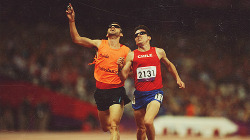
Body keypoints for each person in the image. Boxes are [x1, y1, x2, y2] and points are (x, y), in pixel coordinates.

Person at [66, 3, 131, 140]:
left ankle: (115, 132)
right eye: (110, 27)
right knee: (104, 127)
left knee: (114, 126)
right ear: (107, 33)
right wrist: (72, 21)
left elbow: (128, 74)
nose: (112, 27)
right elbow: (76, 39)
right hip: (100, 92)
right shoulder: (99, 44)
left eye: (116, 26)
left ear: (121, 33)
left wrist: (121, 68)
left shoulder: (126, 51)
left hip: (116, 90)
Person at [118, 25, 185, 140]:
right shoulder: (132, 55)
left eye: (141, 33)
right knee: (140, 129)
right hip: (139, 95)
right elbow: (124, 76)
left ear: (149, 37)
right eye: (136, 35)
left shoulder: (158, 52)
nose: (138, 36)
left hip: (154, 93)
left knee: (148, 122)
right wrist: (120, 68)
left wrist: (178, 78)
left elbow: (169, 65)